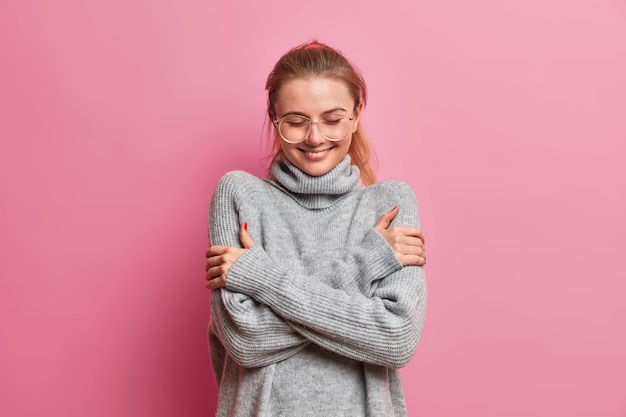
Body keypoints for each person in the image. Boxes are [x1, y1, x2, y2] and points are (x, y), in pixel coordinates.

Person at [205, 40, 427, 417]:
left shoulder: (389, 205)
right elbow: (246, 339)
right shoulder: (239, 196)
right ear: (274, 117)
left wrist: (261, 278)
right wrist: (367, 267)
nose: (314, 137)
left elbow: (396, 339)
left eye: (332, 118)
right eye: (295, 121)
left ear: (356, 115)